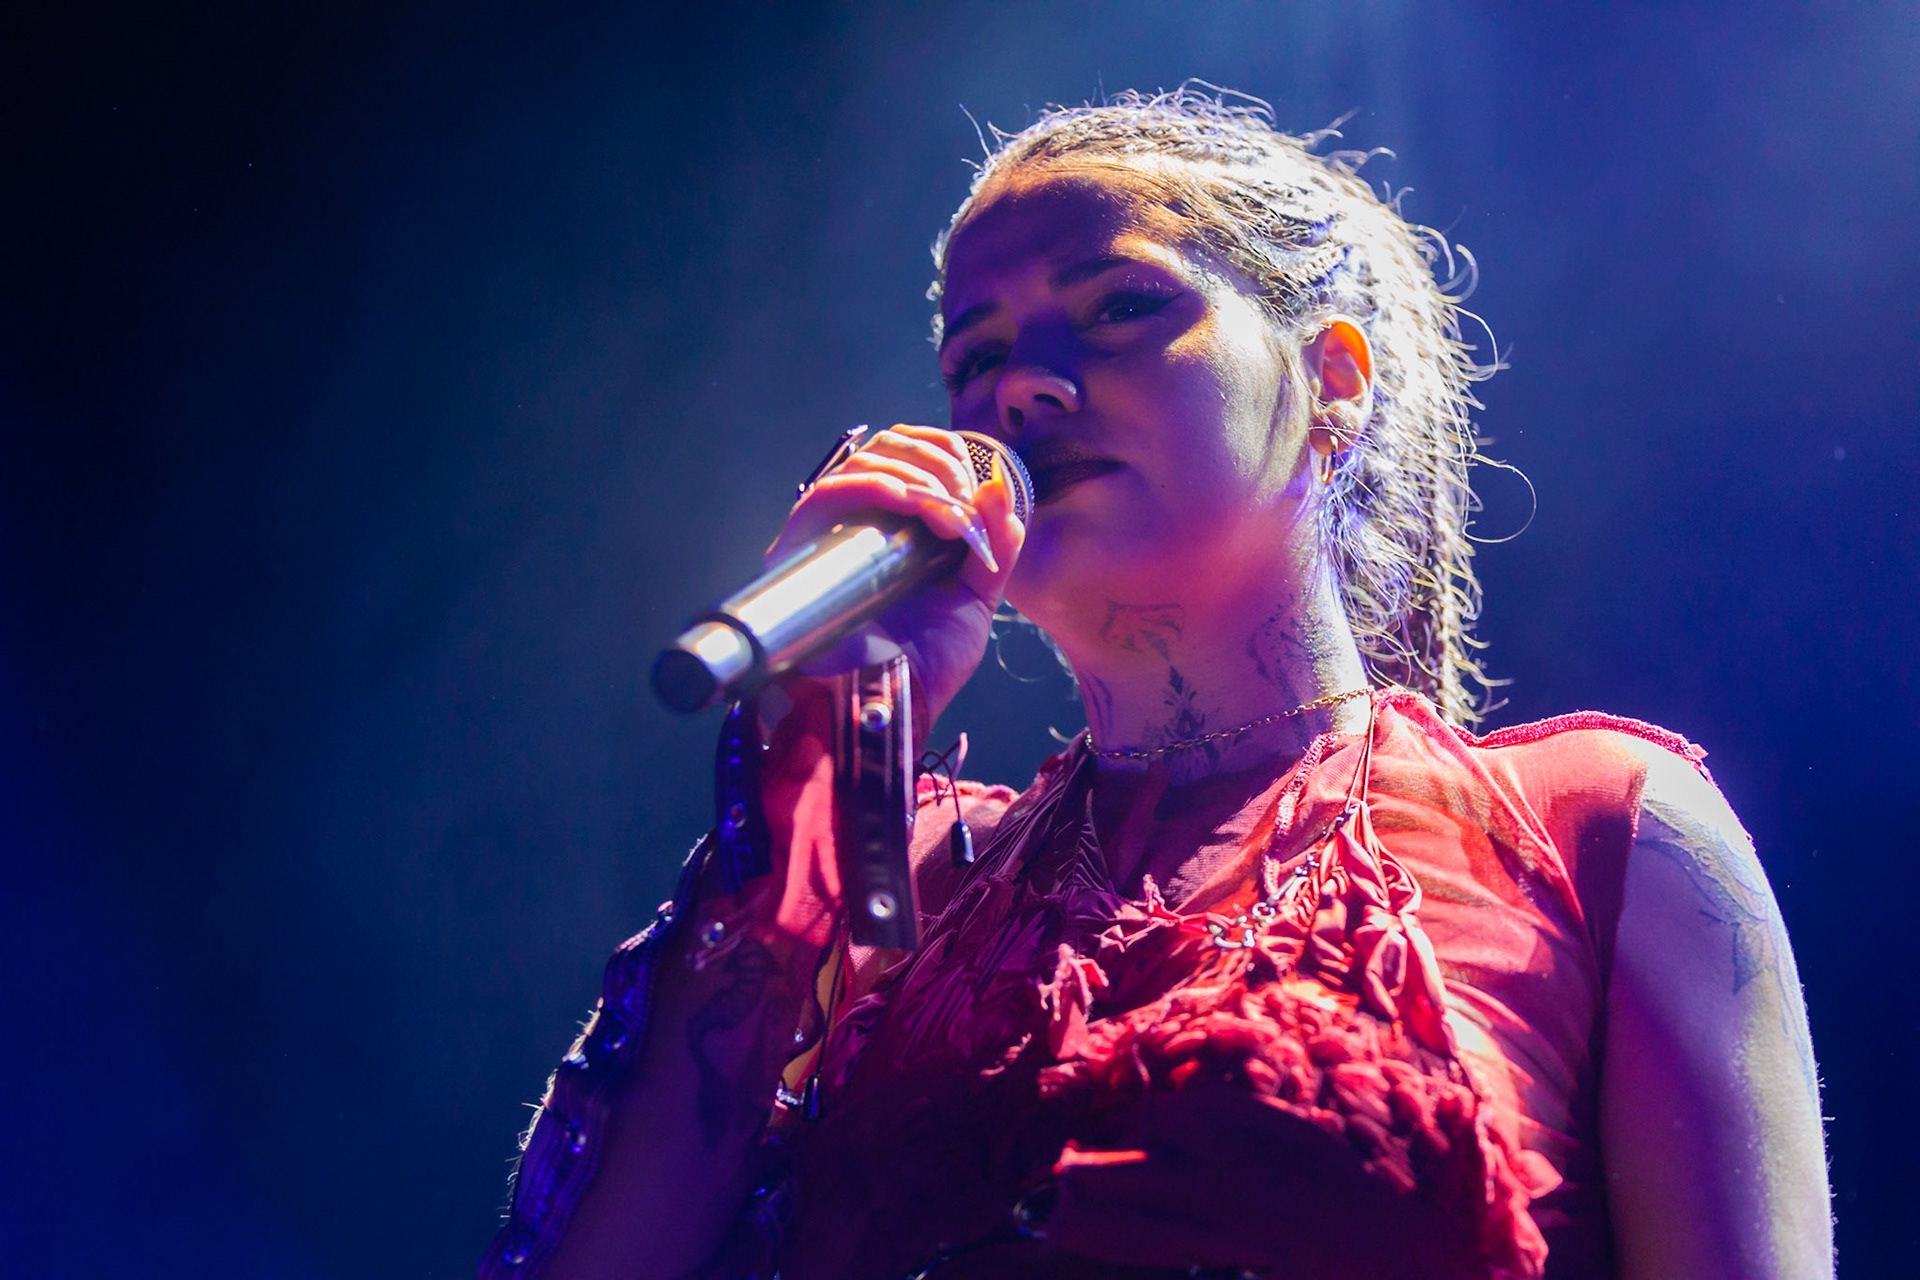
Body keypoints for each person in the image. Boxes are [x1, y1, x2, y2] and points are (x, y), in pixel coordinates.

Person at [480, 89, 1831, 1280]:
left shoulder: (1597, 831)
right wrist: (823, 765)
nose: (1025, 391)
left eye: (1121, 307)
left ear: (1330, 380)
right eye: (976, 359)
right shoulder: (892, 874)